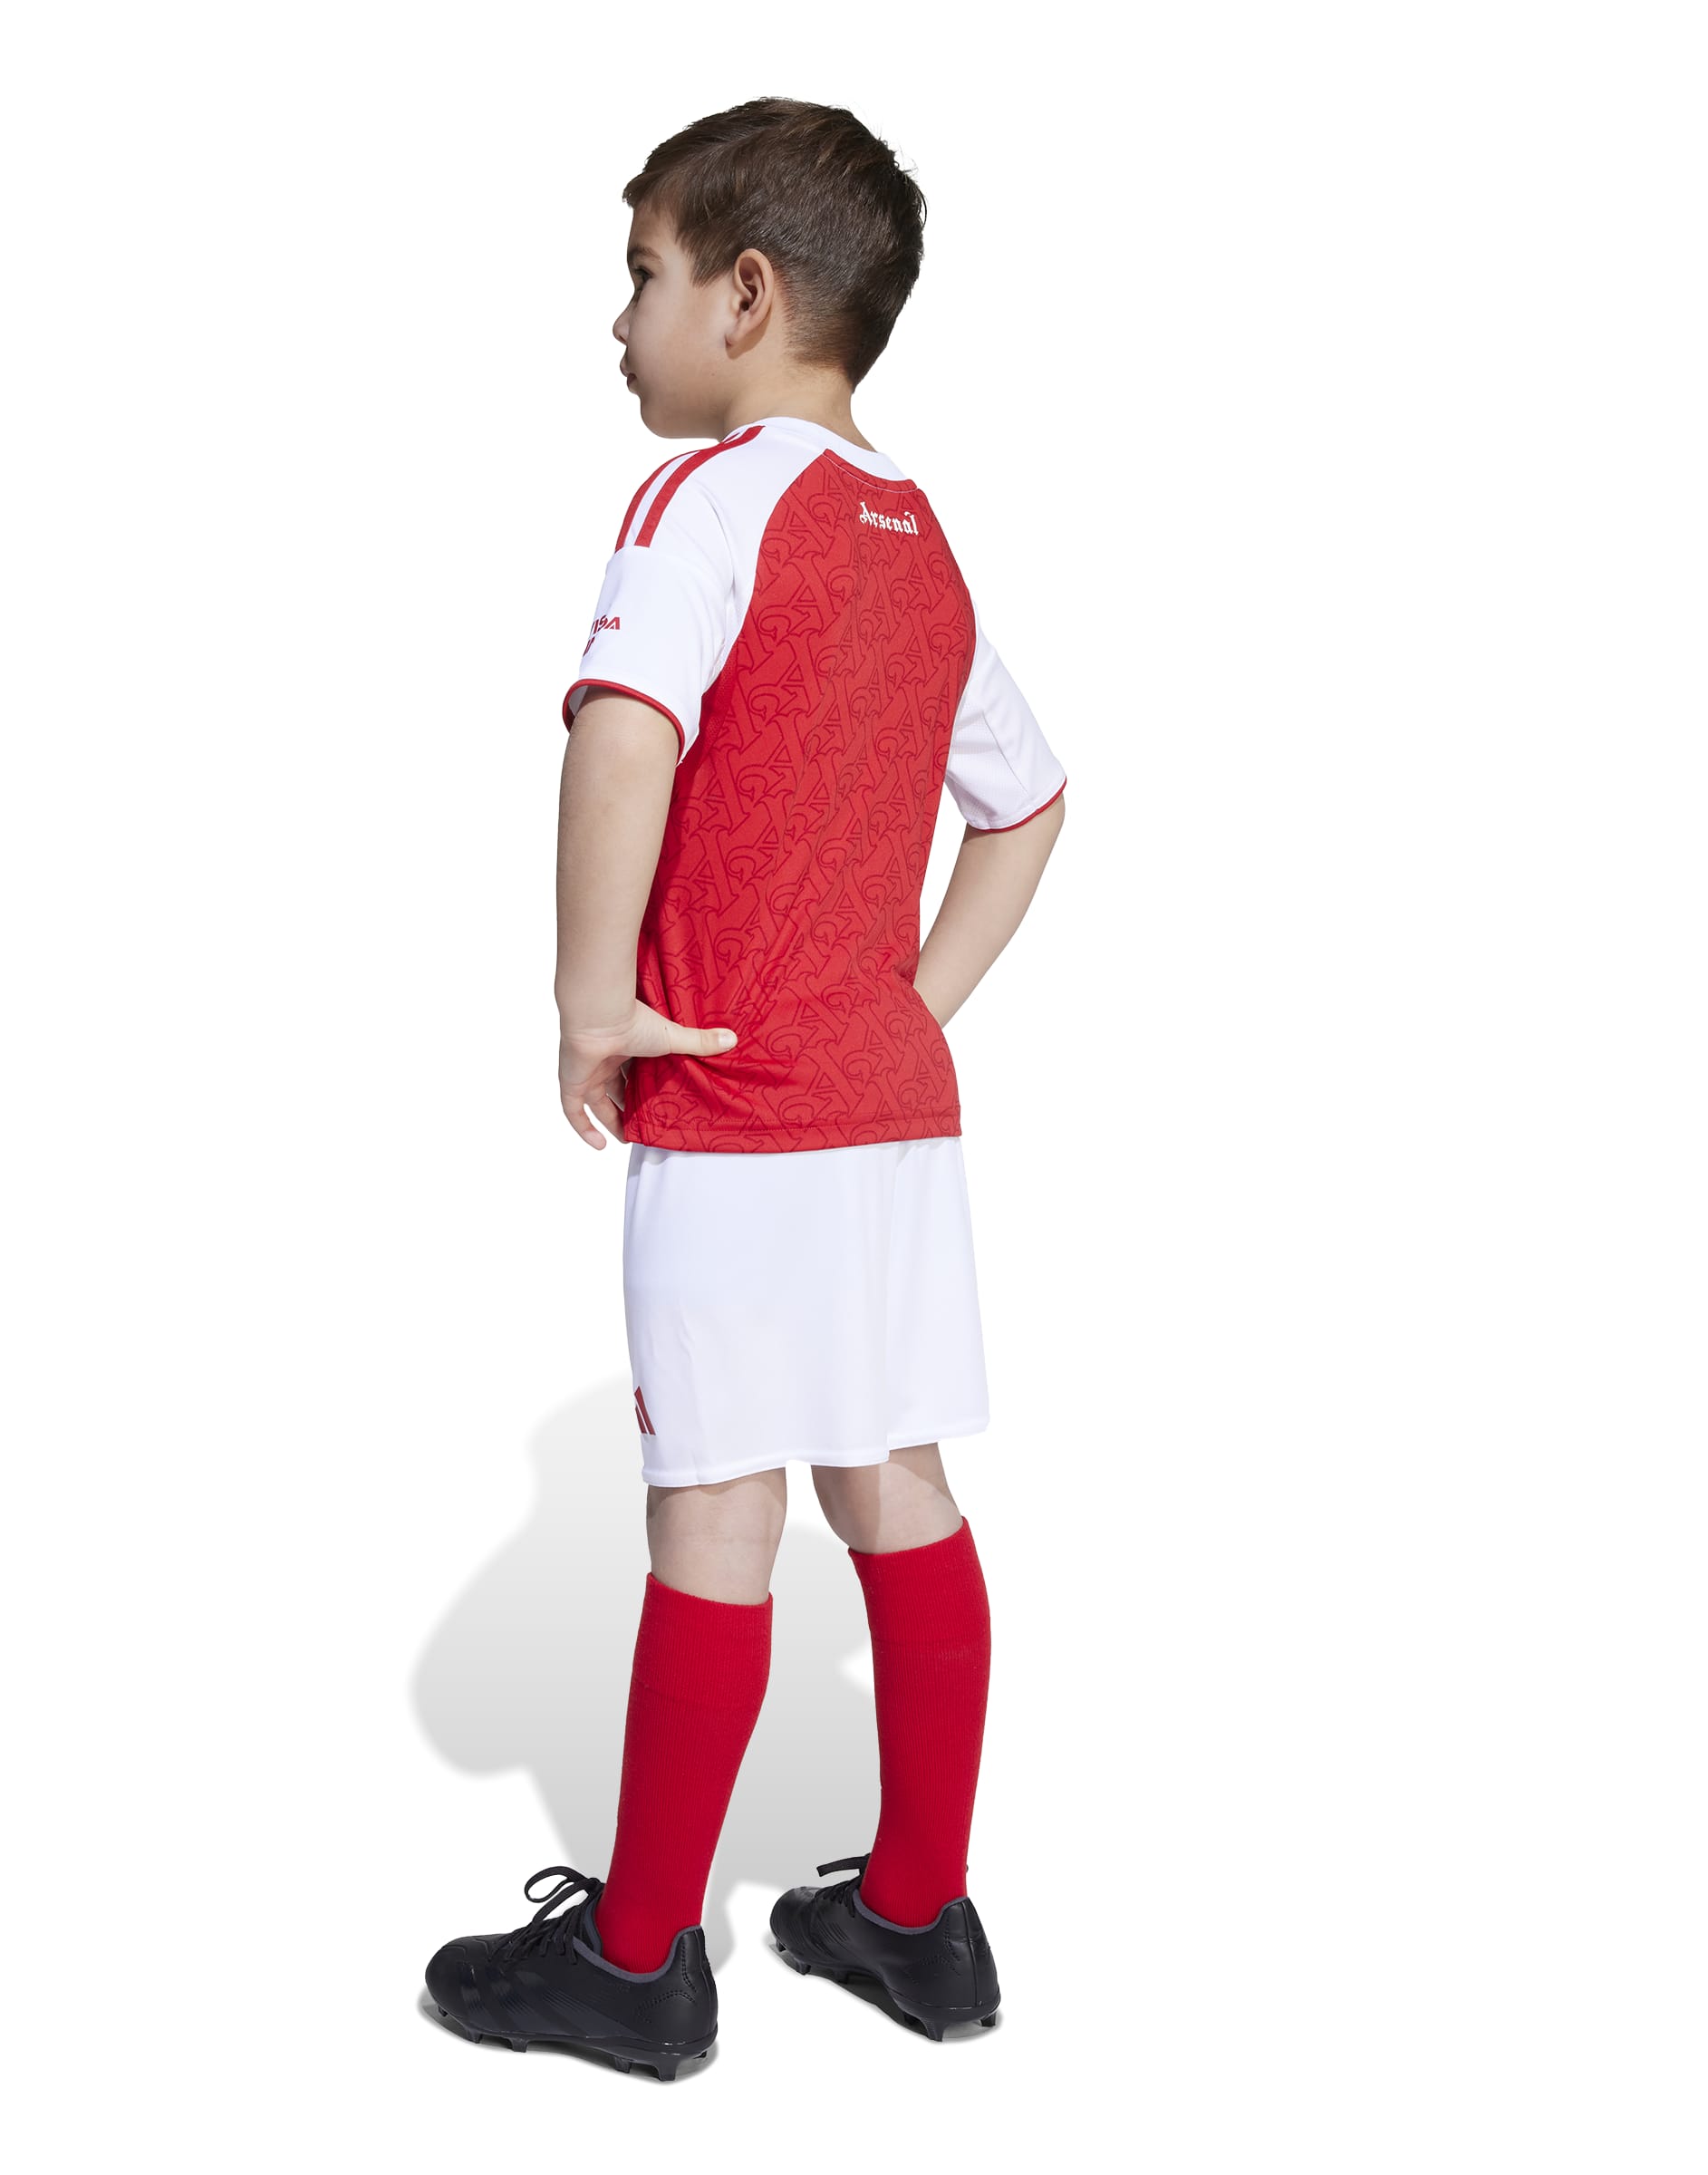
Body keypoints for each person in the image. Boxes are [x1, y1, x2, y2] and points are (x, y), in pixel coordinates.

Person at [424, 96, 1066, 2080]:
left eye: (642, 275)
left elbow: (624, 729)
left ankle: (638, 1962)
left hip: (739, 1107)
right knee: (897, 1485)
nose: (620, 320)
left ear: (749, 295)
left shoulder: (702, 503)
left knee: (713, 1510)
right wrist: (910, 1006)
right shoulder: (919, 540)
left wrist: (589, 999)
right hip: (888, 1113)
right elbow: (1030, 803)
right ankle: (920, 1918)